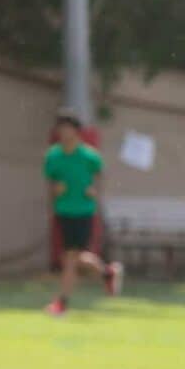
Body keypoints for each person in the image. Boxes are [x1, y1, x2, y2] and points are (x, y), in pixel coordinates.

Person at [44, 108, 122, 316]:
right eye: (61, 128)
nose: (64, 132)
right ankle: (107, 273)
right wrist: (55, 191)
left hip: (84, 211)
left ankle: (62, 303)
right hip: (63, 210)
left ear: (76, 131)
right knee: (76, 257)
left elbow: (100, 178)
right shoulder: (53, 156)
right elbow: (50, 184)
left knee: (70, 258)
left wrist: (94, 190)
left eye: (68, 128)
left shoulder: (89, 156)